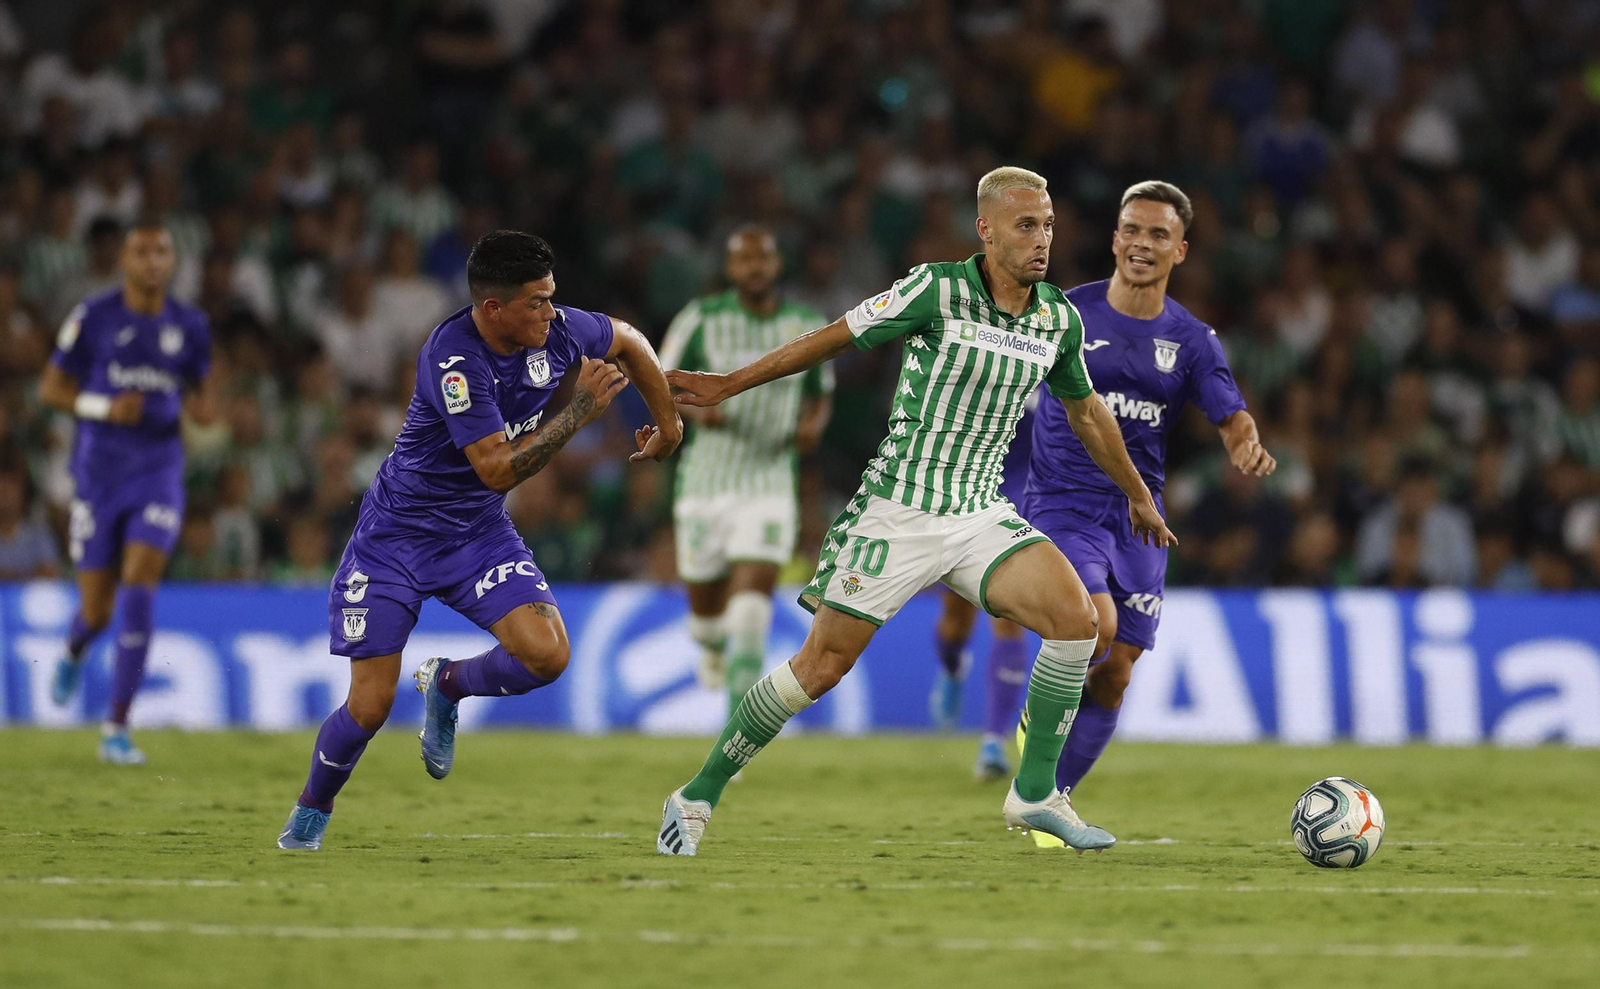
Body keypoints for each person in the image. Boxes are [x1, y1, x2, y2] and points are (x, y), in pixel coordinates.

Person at [658, 167, 1174, 857]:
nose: (1042, 239)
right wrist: (732, 382)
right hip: (898, 511)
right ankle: (698, 792)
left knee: (1077, 621)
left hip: (980, 513)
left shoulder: (1058, 318)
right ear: (986, 230)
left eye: (1048, 225)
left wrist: (1137, 491)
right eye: (1026, 225)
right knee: (819, 667)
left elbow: (1085, 410)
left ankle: (1035, 792)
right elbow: (835, 336)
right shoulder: (936, 288)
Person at [276, 231, 681, 851]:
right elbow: (496, 468)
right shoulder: (453, 360)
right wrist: (576, 414)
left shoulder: (557, 330)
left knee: (547, 654)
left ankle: (447, 685)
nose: (552, 313)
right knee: (369, 707)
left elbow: (628, 339)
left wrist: (670, 422)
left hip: (477, 532)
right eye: (536, 303)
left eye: (552, 299)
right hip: (397, 540)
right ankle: (312, 809)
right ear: (493, 309)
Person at [1020, 180, 1275, 847]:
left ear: (1180, 250)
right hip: (1062, 500)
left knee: (1119, 667)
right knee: (1094, 626)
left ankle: (1055, 799)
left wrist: (1244, 440)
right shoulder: (1065, 313)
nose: (1141, 243)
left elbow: (1229, 408)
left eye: (1158, 234)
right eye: (1132, 229)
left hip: (1139, 515)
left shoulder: (1191, 338)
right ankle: (1038, 745)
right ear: (1114, 238)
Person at [40, 221, 213, 764]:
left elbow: (202, 395)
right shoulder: (94, 316)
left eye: (162, 250)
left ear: (173, 261)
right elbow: (51, 389)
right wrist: (104, 409)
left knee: (140, 580)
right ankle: (74, 647)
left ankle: (116, 726)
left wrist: (205, 412)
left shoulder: (191, 325)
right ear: (123, 260)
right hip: (98, 473)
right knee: (96, 608)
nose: (153, 261)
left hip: (158, 469)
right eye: (141, 251)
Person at [659, 225, 833, 713]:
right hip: (705, 482)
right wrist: (695, 410)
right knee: (708, 622)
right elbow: (660, 382)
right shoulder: (702, 318)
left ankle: (735, 726)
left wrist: (812, 427)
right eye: (744, 260)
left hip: (771, 479)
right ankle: (711, 648)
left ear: (777, 265)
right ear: (730, 269)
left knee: (752, 609)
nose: (755, 268)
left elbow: (822, 394)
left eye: (764, 258)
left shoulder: (805, 323)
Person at [929, 387, 1036, 780]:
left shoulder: (1056, 354)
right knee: (956, 624)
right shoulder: (976, 358)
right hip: (969, 500)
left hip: (1025, 503)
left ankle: (993, 741)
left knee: (1010, 621)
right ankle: (953, 667)